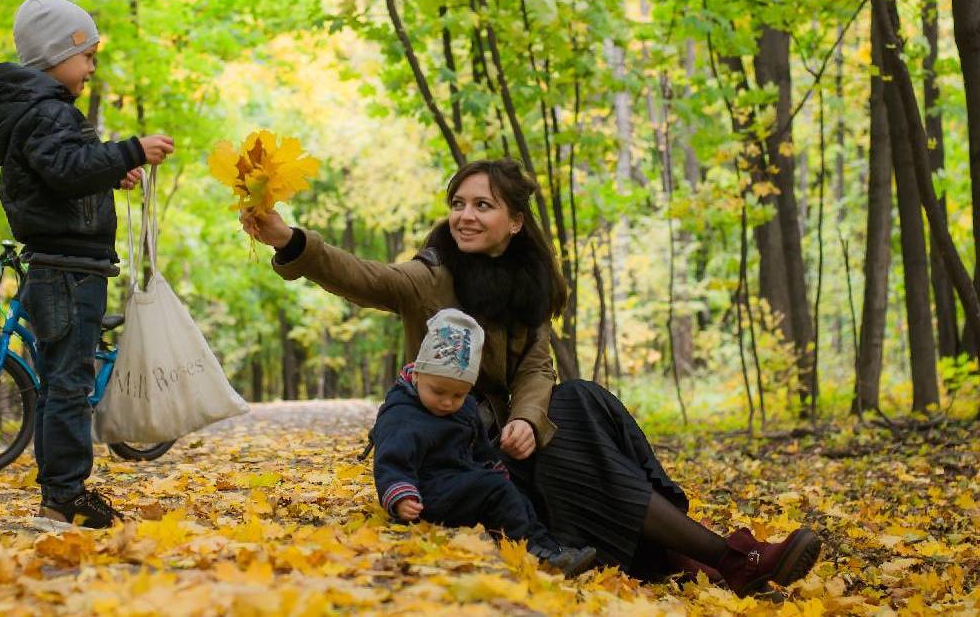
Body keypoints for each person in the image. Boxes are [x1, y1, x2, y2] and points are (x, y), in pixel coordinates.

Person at [241, 158, 822, 595]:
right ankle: (723, 556)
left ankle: (695, 556)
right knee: (576, 415)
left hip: (513, 435)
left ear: (515, 221)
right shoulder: (432, 275)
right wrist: (291, 240)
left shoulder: (528, 286)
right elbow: (366, 278)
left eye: (483, 206)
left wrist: (525, 416)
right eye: (459, 203)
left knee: (586, 400)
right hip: (463, 446)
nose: (465, 216)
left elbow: (537, 367)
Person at [0, 0, 174, 529]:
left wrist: (110, 172)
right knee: (69, 382)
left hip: (68, 264)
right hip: (67, 269)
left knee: (58, 381)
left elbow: (63, 176)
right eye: (85, 55)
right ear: (54, 55)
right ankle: (64, 497)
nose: (91, 66)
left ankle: (59, 493)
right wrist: (130, 150)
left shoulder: (43, 111)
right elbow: (66, 168)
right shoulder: (45, 112)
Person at [372, 308, 597, 577]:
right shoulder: (401, 413)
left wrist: (497, 470)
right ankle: (531, 552)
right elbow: (390, 461)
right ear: (418, 375)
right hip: (425, 492)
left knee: (514, 493)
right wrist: (400, 495)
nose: (447, 402)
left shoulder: (465, 409)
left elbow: (480, 450)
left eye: (458, 394)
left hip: (461, 482)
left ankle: (550, 549)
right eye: (438, 391)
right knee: (493, 490)